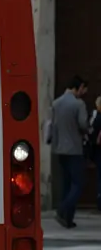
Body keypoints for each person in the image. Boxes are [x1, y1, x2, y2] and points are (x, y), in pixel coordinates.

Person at [50, 75, 90, 229]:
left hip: (59, 148)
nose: (84, 93)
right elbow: (83, 124)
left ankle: (68, 219)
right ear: (79, 87)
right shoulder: (78, 104)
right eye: (83, 89)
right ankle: (63, 210)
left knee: (66, 184)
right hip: (74, 149)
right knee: (78, 183)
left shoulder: (56, 103)